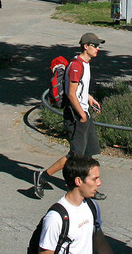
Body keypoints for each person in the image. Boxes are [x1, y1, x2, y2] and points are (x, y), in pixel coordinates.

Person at [35, 33, 107, 200]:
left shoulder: (85, 64)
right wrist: (82, 115)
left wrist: (89, 98)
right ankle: (43, 176)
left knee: (89, 153)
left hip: (84, 113)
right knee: (75, 155)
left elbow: (80, 89)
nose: (98, 48)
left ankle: (90, 188)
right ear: (85, 46)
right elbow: (71, 93)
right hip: (75, 116)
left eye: (98, 46)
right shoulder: (76, 66)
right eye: (95, 45)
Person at [35, 155, 104, 254]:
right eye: (94, 179)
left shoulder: (92, 206)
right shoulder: (55, 218)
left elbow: (99, 240)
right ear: (78, 181)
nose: (99, 183)